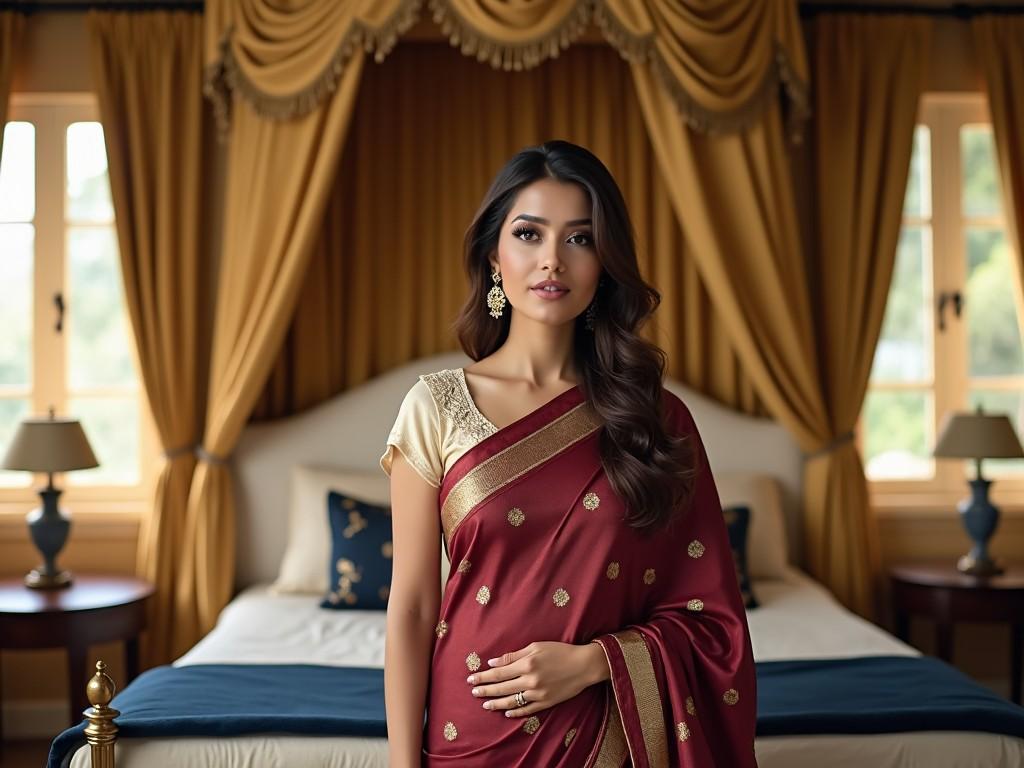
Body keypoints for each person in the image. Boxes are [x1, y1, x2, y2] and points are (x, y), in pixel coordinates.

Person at [380, 139, 758, 767]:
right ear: (494, 256)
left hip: (606, 728)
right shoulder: (435, 407)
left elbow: (709, 616)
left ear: (604, 263)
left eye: (579, 239)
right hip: (470, 729)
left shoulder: (655, 419)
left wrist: (593, 664)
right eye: (529, 234)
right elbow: (414, 604)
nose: (552, 260)